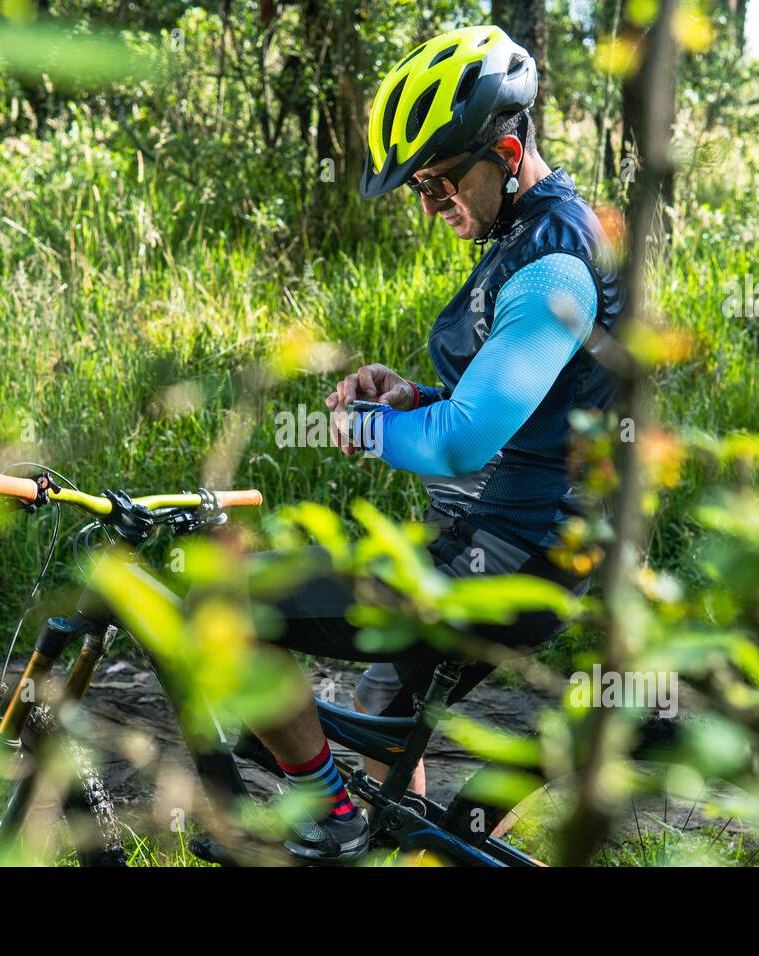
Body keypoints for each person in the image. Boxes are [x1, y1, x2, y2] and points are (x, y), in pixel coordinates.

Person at [245, 24, 625, 862]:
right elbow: (525, 403)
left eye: (441, 180)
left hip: (509, 554)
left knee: (234, 606)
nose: (428, 203)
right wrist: (413, 393)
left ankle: (327, 814)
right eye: (418, 186)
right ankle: (397, 843)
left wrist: (367, 425)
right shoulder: (527, 240)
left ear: (508, 149)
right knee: (386, 721)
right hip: (505, 542)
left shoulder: (554, 261)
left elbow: (461, 444)